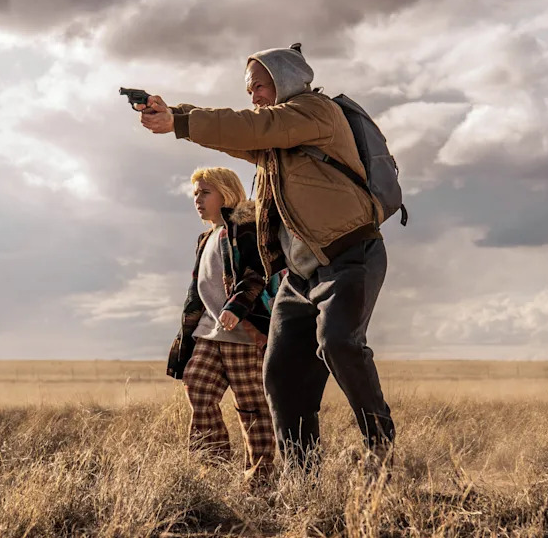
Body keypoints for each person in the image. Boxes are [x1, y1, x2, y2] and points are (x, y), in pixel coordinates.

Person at [139, 44, 395, 470]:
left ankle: (378, 441)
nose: (253, 95)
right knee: (279, 375)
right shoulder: (275, 143)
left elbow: (254, 127)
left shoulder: (315, 112)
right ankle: (302, 477)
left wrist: (180, 121)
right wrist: (176, 114)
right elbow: (239, 133)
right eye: (249, 89)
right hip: (299, 275)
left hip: (351, 255)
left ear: (286, 80)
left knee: (337, 344)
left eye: (259, 85)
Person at [166, 166, 276, 483]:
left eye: (205, 192)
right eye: (195, 194)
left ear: (225, 192)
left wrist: (237, 306)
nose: (197, 200)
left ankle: (260, 476)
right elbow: (198, 291)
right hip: (209, 333)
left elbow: (258, 272)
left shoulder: (244, 225)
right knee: (197, 387)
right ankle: (213, 468)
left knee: (252, 406)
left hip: (243, 334)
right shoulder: (206, 237)